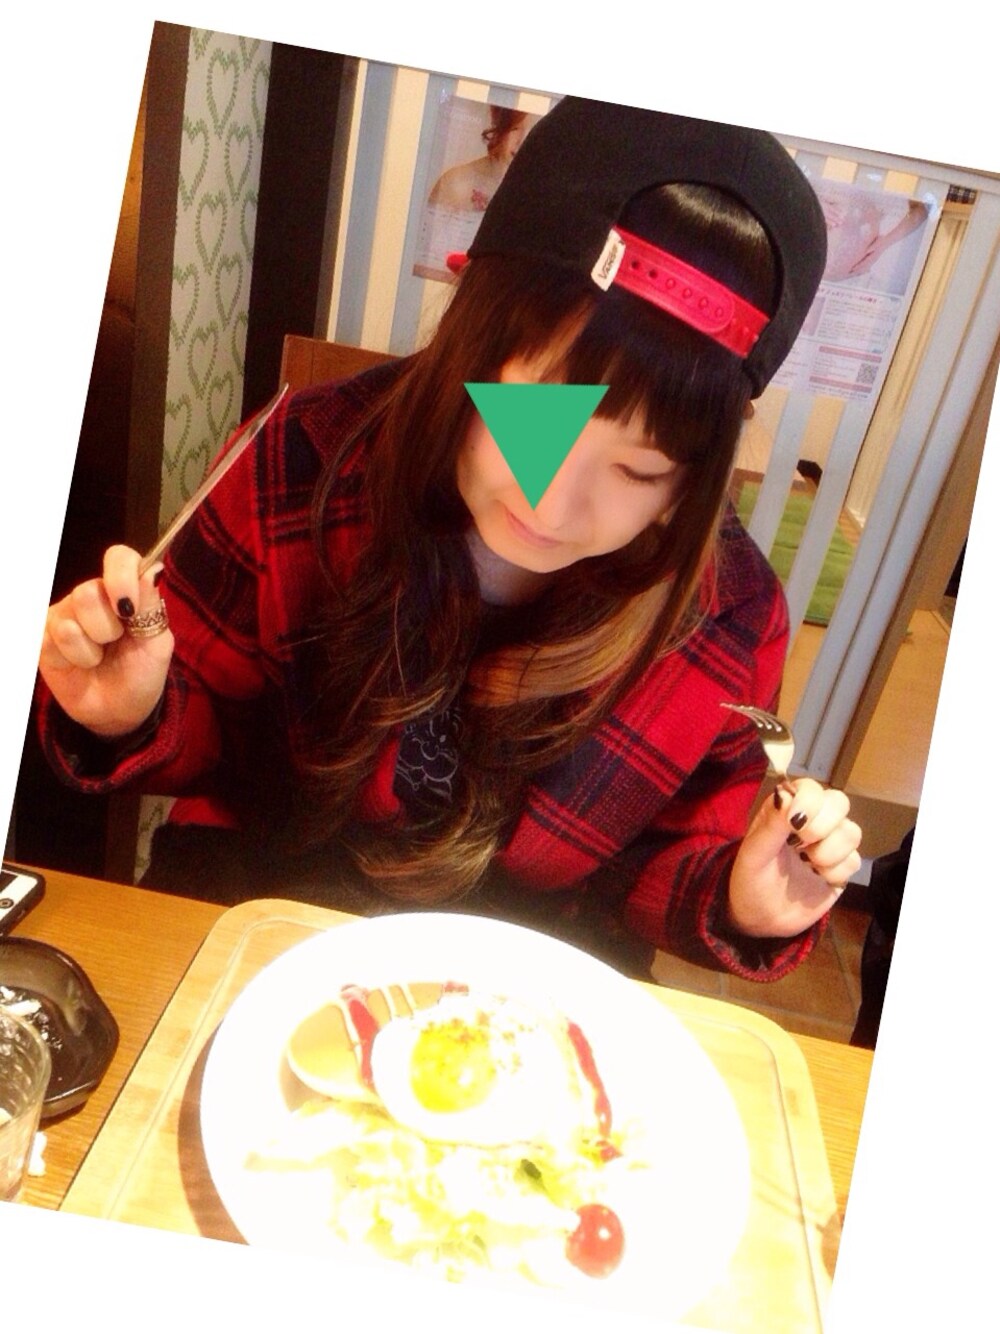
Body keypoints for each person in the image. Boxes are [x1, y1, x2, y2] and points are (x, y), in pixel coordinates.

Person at [36, 96, 861, 979]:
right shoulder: (304, 457)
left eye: (637, 470)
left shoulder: (730, 614)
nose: (551, 505)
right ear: (474, 338)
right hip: (261, 904)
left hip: (534, 975)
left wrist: (738, 898)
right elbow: (212, 740)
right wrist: (132, 712)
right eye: (541, 417)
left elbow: (662, 860)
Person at [428, 106, 532, 213]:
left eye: (532, 132)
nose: (522, 141)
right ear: (499, 125)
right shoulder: (456, 183)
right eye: (515, 128)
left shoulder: (535, 193)